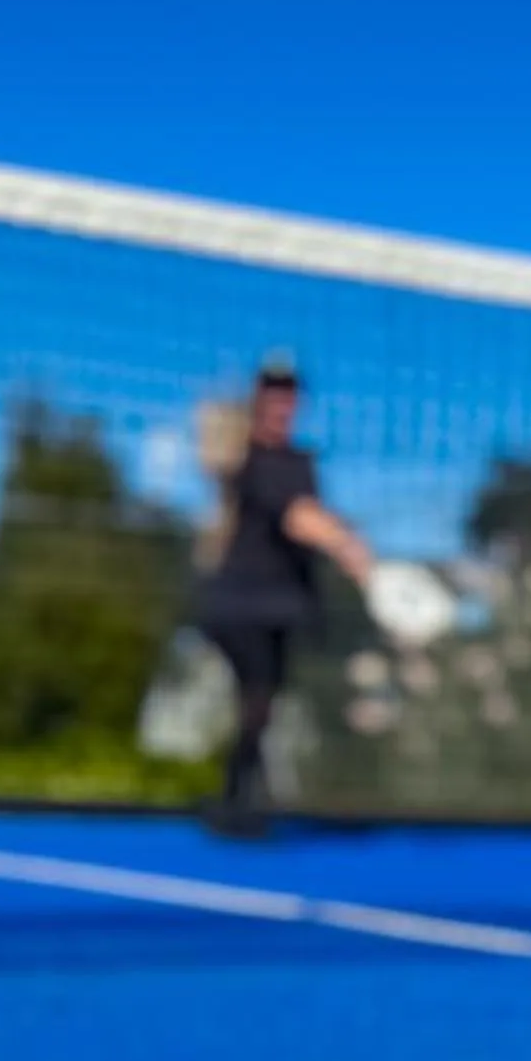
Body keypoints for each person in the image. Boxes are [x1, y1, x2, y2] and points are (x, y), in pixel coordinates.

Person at [194, 355, 373, 830]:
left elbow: (310, 513)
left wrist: (346, 541)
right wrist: (349, 547)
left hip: (284, 605)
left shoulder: (300, 462)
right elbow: (298, 518)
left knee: (265, 701)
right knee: (256, 695)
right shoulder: (247, 459)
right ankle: (238, 799)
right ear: (259, 398)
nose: (281, 402)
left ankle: (244, 795)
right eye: (272, 391)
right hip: (239, 604)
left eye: (289, 392)